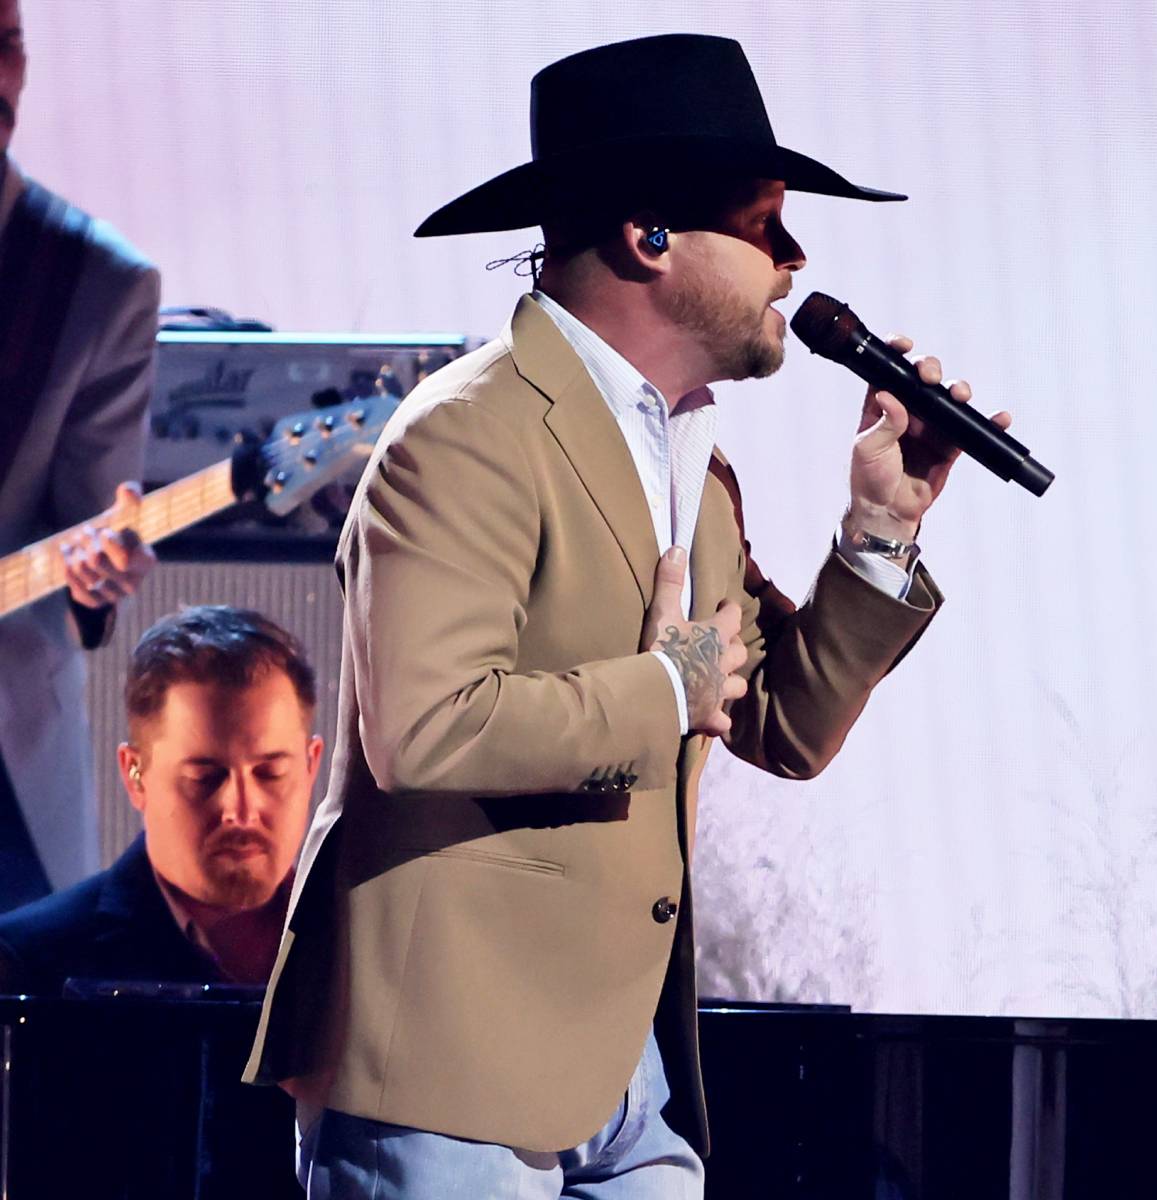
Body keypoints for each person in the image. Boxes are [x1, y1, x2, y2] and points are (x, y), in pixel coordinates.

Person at [241, 34, 1009, 1198]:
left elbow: (784, 726)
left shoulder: (695, 468)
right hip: (444, 1072)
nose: (797, 261)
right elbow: (426, 725)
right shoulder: (466, 434)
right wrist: (662, 693)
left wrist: (880, 530)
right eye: (765, 224)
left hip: (621, 1075)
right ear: (649, 237)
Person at [0, 0, 160, 909]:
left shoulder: (95, 282)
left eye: (10, 47)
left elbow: (90, 531)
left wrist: (93, 582)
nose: (0, 77)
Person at [0, 606, 320, 993]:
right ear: (135, 776)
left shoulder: (367, 943)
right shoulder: (28, 964)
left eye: (270, 773)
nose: (241, 809)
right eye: (205, 777)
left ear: (311, 765)